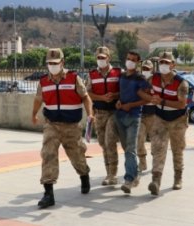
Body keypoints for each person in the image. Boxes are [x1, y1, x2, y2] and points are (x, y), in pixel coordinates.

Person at [31, 48, 95, 209]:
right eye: (49, 63)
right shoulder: (44, 81)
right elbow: (38, 99)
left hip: (71, 126)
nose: (52, 66)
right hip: (51, 124)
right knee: (48, 154)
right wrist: (34, 114)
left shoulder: (74, 78)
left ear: (62, 63)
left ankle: (84, 174)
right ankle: (48, 193)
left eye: (55, 63)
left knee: (77, 156)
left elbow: (85, 97)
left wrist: (90, 114)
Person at [148, 52, 189, 196]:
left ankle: (178, 178)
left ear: (173, 65)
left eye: (166, 62)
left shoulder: (181, 82)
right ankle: (156, 181)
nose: (163, 65)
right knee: (158, 148)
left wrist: (162, 101)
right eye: (161, 62)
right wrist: (151, 98)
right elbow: (143, 91)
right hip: (160, 118)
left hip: (178, 119)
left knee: (177, 149)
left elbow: (182, 104)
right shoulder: (154, 78)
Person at [114, 51, 151, 194]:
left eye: (133, 60)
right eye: (128, 59)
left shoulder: (140, 79)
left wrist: (132, 105)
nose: (130, 62)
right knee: (127, 149)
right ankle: (135, 175)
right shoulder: (122, 76)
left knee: (130, 149)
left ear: (137, 63)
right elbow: (121, 93)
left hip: (133, 117)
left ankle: (128, 179)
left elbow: (147, 98)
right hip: (120, 116)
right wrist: (119, 102)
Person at [87, 46, 120, 186]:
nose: (100, 60)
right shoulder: (92, 74)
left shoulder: (118, 73)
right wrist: (101, 97)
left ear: (109, 58)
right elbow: (88, 93)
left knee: (110, 142)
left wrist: (115, 96)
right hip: (99, 114)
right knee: (103, 144)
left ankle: (113, 174)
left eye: (103, 57)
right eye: (98, 57)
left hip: (113, 113)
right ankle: (108, 173)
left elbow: (124, 91)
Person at [137, 60, 156, 172]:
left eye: (148, 69)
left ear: (152, 69)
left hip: (154, 114)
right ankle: (142, 163)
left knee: (155, 141)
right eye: (144, 68)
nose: (145, 71)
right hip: (141, 114)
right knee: (139, 139)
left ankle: (155, 162)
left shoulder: (156, 80)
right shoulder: (138, 80)